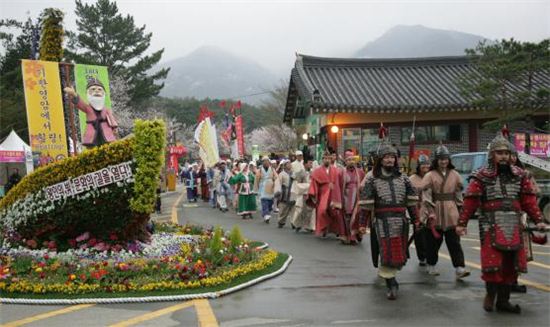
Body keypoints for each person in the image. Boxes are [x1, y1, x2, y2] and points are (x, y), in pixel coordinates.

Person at [456, 131, 546, 313]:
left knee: (510, 265)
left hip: (514, 223)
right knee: (492, 264)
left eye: (507, 153)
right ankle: (490, 295)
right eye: (500, 153)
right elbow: (470, 201)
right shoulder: (481, 176)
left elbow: (528, 201)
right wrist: (462, 223)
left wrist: (539, 219)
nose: (504, 157)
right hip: (490, 223)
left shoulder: (520, 175)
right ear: (492, 155)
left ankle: (503, 301)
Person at [358, 143, 418, 300]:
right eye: (387, 157)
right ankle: (391, 283)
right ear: (381, 160)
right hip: (382, 221)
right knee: (386, 251)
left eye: (392, 157)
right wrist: (362, 224)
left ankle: (391, 278)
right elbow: (366, 205)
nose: (390, 160)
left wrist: (417, 220)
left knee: (398, 253)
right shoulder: (373, 179)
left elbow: (411, 202)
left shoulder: (404, 178)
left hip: (401, 221)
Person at [421, 145, 470, 279]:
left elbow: (459, 193)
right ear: (436, 160)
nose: (443, 162)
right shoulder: (429, 175)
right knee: (432, 242)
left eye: (446, 159)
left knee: (454, 241)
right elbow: (426, 195)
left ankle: (460, 268)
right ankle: (431, 264)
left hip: (451, 211)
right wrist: (429, 211)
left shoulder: (455, 174)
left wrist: (461, 210)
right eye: (441, 159)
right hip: (434, 209)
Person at [63, 79, 118, 148]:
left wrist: (114, 128)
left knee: (108, 147)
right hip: (92, 131)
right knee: (92, 148)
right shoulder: (87, 108)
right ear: (88, 93)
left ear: (104, 93)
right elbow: (80, 103)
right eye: (93, 89)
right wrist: (74, 94)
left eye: (100, 89)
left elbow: (112, 120)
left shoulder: (107, 110)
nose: (97, 91)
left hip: (106, 131)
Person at [307, 150, 345, 238]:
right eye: (325, 158)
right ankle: (323, 229)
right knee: (322, 211)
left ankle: (337, 230)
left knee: (335, 211)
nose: (327, 160)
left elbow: (340, 182)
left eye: (328, 158)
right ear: (322, 160)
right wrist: (313, 194)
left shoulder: (336, 170)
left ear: (331, 159)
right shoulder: (317, 171)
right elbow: (314, 183)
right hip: (323, 194)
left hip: (334, 193)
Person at [408, 155, 430, 267]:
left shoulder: (431, 177)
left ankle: (430, 255)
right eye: (423, 164)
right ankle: (422, 256)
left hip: (430, 209)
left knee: (431, 234)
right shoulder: (411, 179)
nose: (425, 166)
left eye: (427, 164)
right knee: (419, 234)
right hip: (417, 209)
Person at [340, 150, 365, 245]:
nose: (351, 161)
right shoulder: (341, 173)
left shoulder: (360, 172)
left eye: (352, 159)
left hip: (357, 197)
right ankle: (347, 236)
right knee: (347, 217)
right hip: (346, 198)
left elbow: (364, 184)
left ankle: (354, 235)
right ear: (345, 162)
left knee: (357, 216)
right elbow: (338, 186)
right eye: (349, 160)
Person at [291, 158, 315, 233]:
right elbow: (297, 184)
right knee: (300, 210)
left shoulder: (313, 172)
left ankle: (309, 226)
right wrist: (307, 186)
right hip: (303, 193)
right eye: (309, 163)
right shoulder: (300, 173)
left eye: (312, 163)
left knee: (310, 211)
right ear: (305, 164)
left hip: (311, 194)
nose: (311, 165)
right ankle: (297, 224)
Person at [256, 156, 277, 224]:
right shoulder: (259, 170)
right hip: (263, 187)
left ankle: (266, 213)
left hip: (271, 187)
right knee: (264, 201)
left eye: (267, 161)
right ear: (262, 162)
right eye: (264, 161)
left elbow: (276, 177)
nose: (266, 162)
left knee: (270, 202)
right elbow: (257, 179)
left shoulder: (272, 169)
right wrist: (256, 188)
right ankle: (266, 215)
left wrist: (275, 182)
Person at [276, 160, 295, 228]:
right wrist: (278, 191)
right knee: (284, 209)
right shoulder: (281, 174)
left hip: (292, 192)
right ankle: (281, 221)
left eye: (290, 163)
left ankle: (294, 222)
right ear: (285, 165)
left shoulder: (293, 173)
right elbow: (278, 183)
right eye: (288, 164)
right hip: (285, 192)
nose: (289, 165)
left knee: (293, 208)